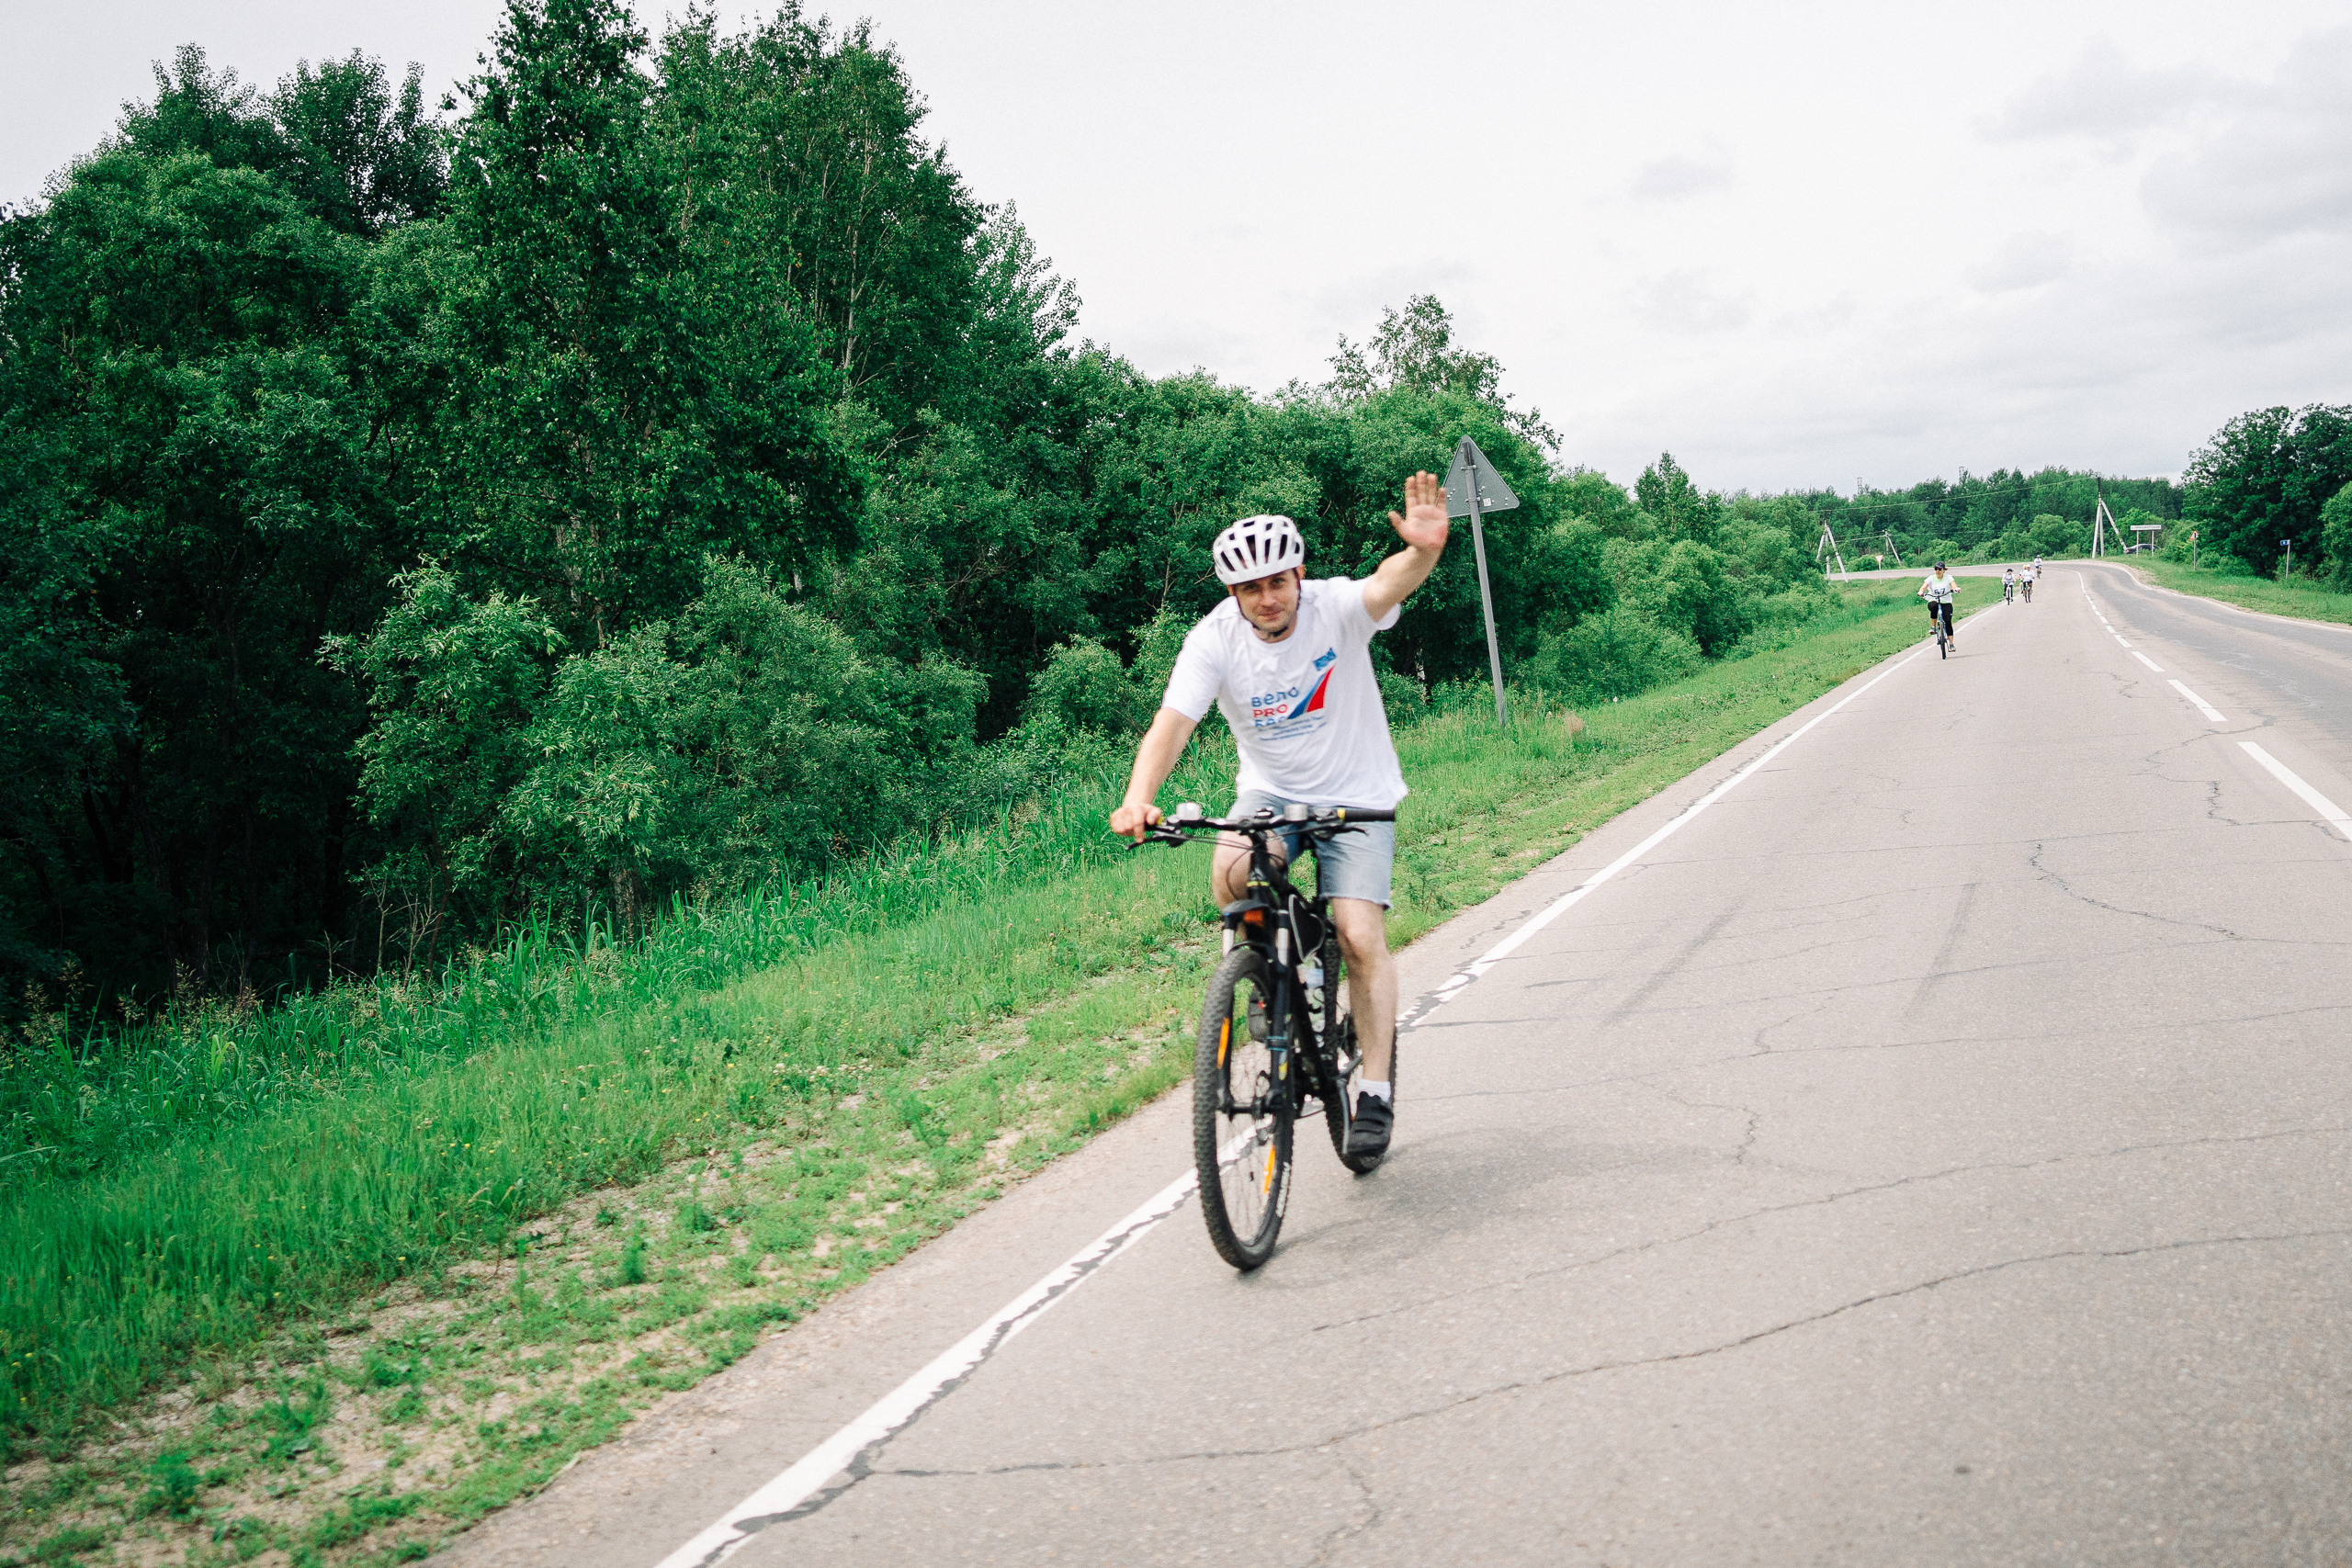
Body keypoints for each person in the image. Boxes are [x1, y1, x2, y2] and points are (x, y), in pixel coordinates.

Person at [1110, 472, 1453, 1159]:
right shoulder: (1212, 639)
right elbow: (1172, 724)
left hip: (1358, 792)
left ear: (1299, 572)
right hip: (1270, 793)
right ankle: (1272, 981)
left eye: (1277, 581)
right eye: (1249, 588)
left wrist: (1423, 552)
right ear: (1231, 593)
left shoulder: (1336, 608)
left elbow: (1388, 583)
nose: (1266, 598)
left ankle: (1375, 1090)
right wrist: (1137, 795)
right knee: (1233, 871)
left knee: (1358, 933)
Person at [1919, 560, 1958, 649]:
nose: (1937, 571)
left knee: (1948, 621)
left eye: (1939, 569)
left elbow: (1953, 585)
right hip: (1934, 598)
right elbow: (1923, 587)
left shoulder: (1948, 577)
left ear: (1944, 570)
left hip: (1946, 600)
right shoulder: (1931, 578)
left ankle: (1951, 644)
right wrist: (1921, 591)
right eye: (1936, 569)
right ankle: (1933, 627)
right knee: (1933, 606)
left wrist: (1956, 589)